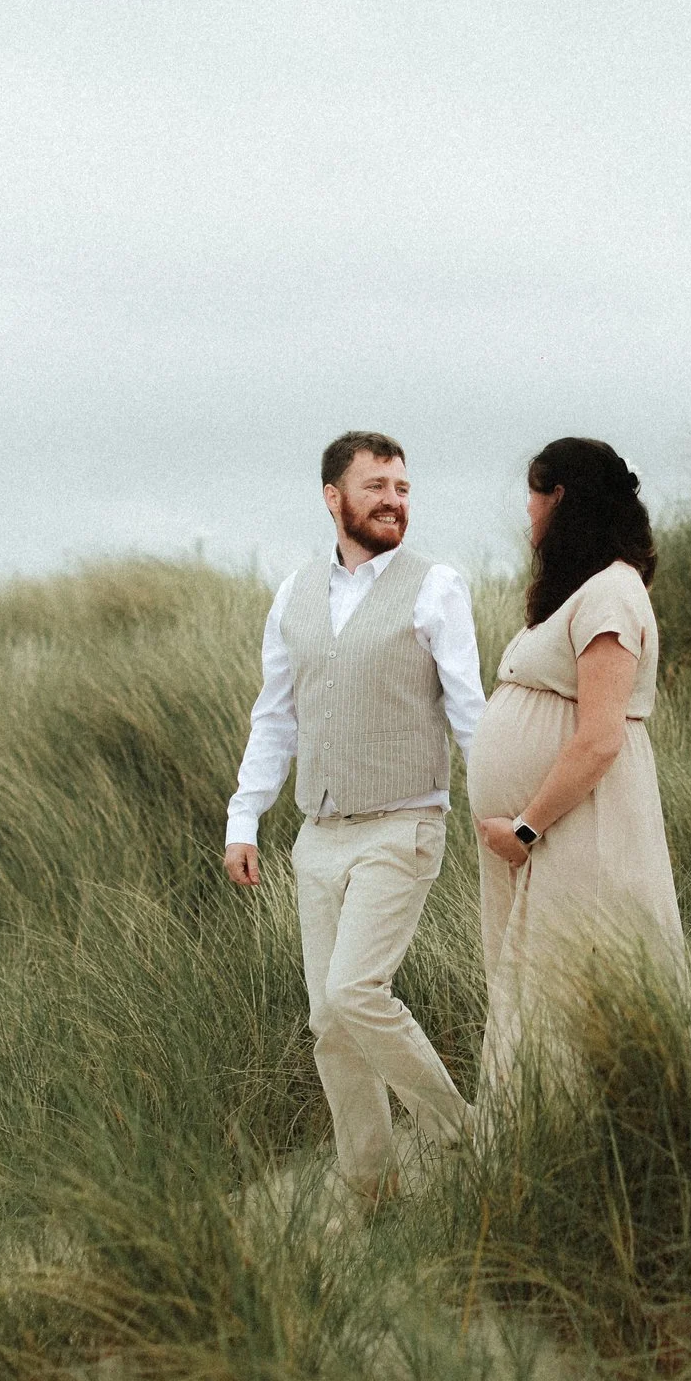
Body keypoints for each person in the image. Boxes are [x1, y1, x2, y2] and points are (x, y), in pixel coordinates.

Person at [224, 431, 486, 1202]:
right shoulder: (294, 593)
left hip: (402, 826)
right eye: (376, 486)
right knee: (329, 1024)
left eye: (402, 487)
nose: (393, 500)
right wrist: (246, 819)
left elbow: (470, 711)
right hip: (318, 837)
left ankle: (460, 1136)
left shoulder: (436, 586)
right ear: (333, 497)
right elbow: (275, 718)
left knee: (356, 991)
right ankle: (372, 1187)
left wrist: (507, 811)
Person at [468, 436, 686, 1104]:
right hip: (545, 832)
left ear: (561, 499)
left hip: (575, 826)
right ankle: (527, 1144)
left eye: (534, 494)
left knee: (565, 982)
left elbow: (598, 738)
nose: (527, 512)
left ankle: (569, 1142)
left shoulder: (613, 595)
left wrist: (527, 828)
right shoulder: (583, 592)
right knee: (529, 986)